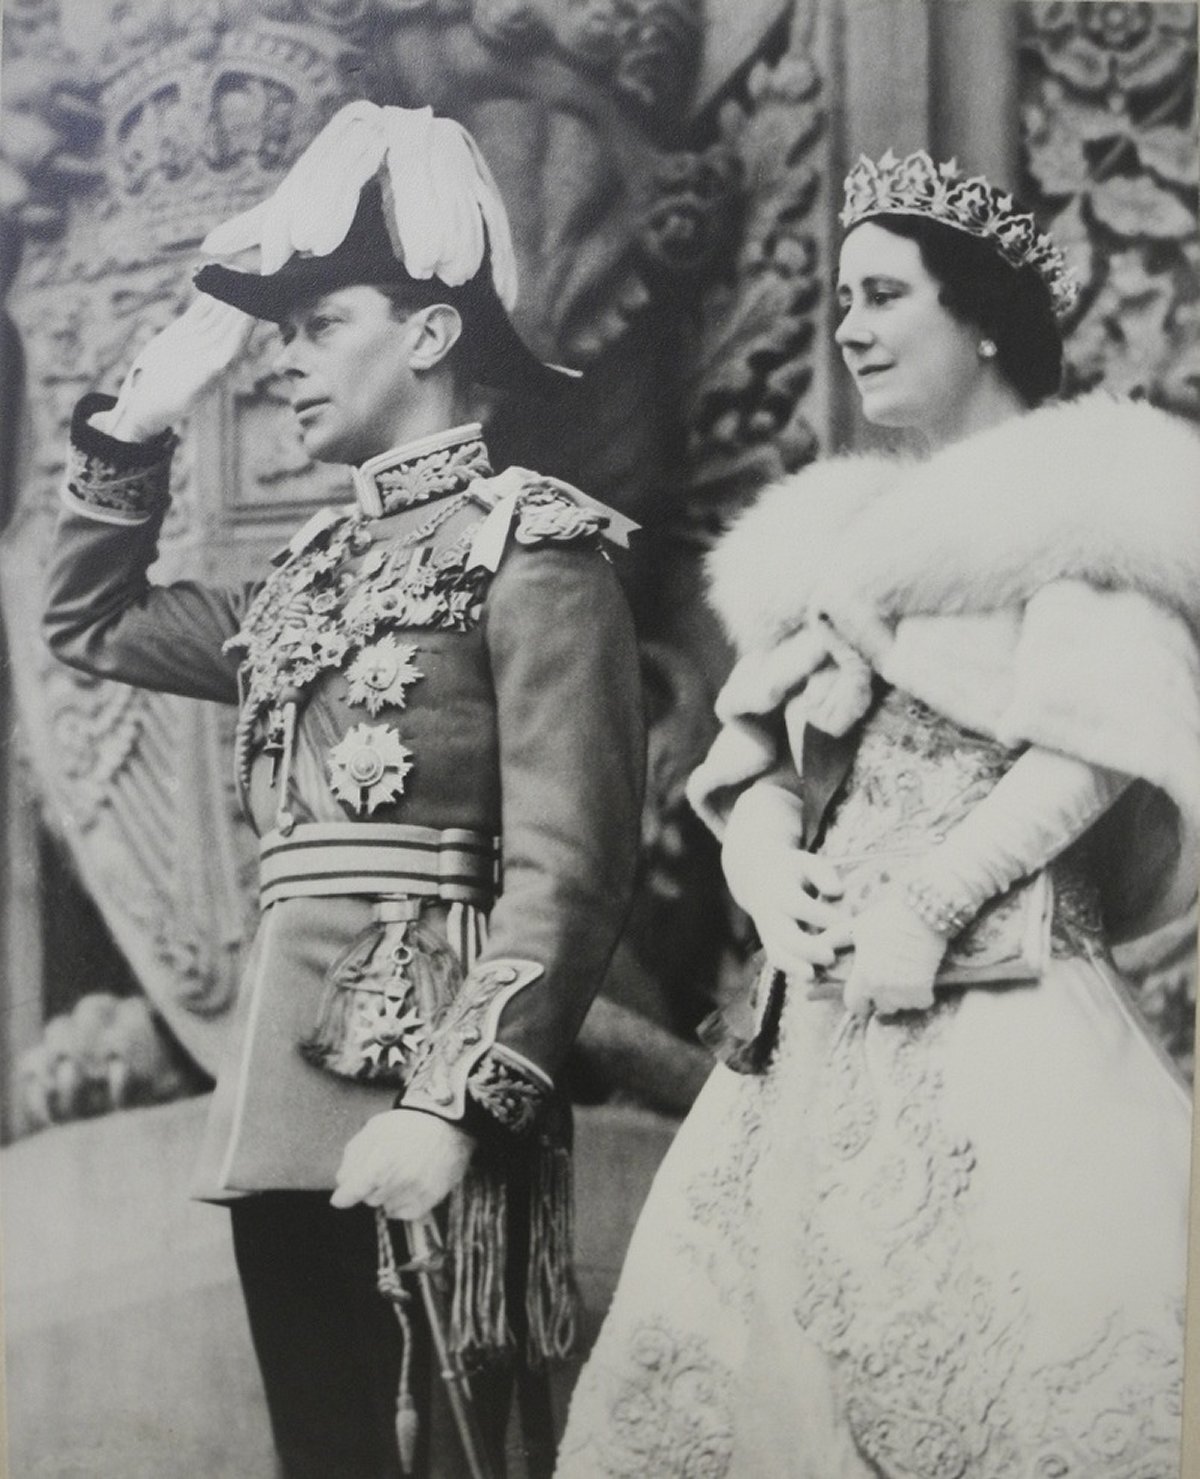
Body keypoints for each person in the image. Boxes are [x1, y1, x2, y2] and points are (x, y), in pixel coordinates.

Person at [555, 149, 1200, 1477]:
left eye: (885, 293)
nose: (849, 325)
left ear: (980, 316)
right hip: (819, 1027)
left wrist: (934, 896)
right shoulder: (843, 541)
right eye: (841, 294)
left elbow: (1102, 740)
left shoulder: (1082, 499)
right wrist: (765, 852)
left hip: (1006, 1011)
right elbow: (771, 759)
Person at [43, 100, 645, 1479]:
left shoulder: (537, 552)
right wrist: (132, 426)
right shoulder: (308, 575)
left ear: (430, 333)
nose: (287, 367)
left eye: (322, 327)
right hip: (282, 1083)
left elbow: (571, 868)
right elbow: (90, 624)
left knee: (451, 1456)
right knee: (327, 1454)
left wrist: (453, 1102)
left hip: (435, 1070)